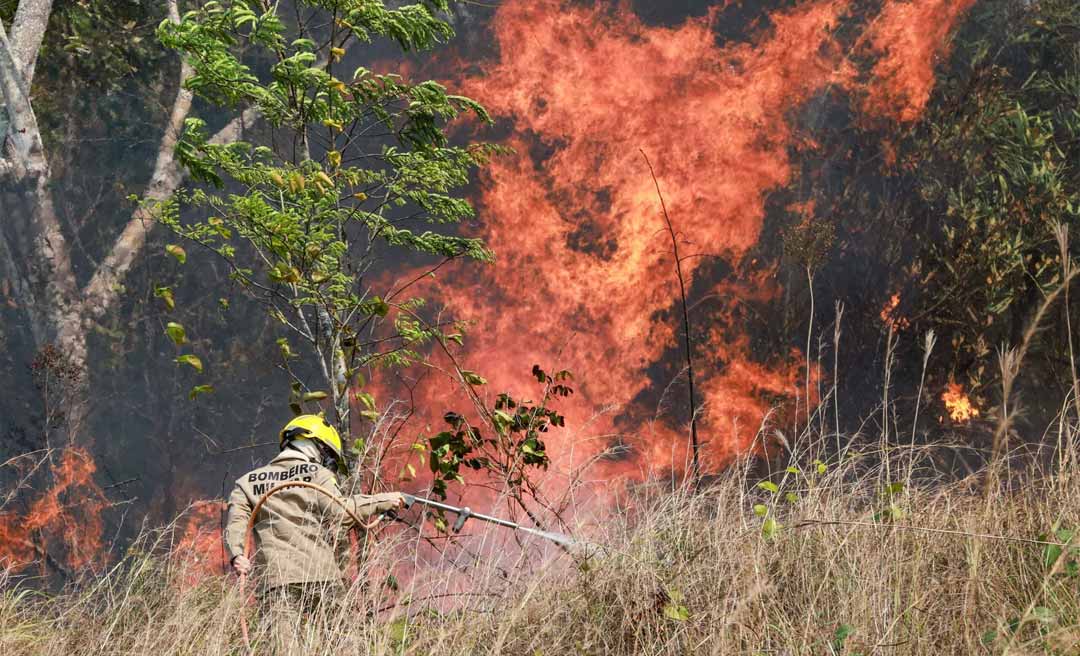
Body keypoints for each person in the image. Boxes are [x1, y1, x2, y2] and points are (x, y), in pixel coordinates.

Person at [224, 414, 404, 649]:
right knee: (345, 646)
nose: (325, 460)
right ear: (315, 445)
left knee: (285, 650)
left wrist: (237, 555)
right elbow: (341, 513)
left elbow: (235, 523)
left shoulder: (247, 482)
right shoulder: (318, 474)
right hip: (322, 576)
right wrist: (385, 500)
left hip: (277, 580)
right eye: (326, 454)